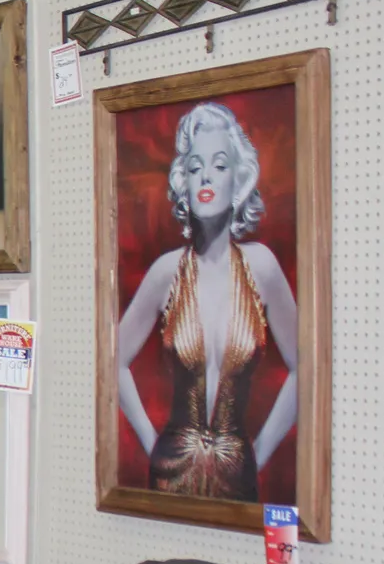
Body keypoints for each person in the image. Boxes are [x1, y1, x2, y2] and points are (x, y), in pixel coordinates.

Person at [114, 101, 298, 501]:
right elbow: (110, 360)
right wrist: (152, 447)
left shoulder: (262, 267)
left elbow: (308, 367)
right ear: (184, 182)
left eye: (219, 165)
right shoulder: (167, 272)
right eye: (195, 168)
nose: (206, 178)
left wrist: (258, 454)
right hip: (169, 476)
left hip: (239, 480)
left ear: (240, 179)